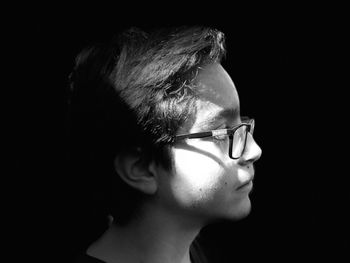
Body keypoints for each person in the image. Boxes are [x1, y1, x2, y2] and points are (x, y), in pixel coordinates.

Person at [66, 25, 262, 263]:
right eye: (222, 133)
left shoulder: (205, 253)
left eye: (241, 125)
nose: (254, 150)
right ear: (140, 167)